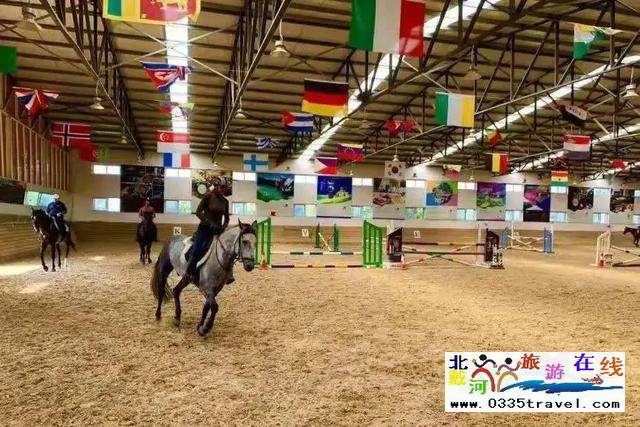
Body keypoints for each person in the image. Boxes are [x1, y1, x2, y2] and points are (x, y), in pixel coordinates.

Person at [184, 179, 231, 285]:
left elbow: (227, 218)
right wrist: (208, 222)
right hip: (205, 229)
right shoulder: (208, 197)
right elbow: (198, 212)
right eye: (222, 187)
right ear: (217, 186)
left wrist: (224, 227)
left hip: (218, 230)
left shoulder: (225, 202)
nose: (223, 190)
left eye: (225, 188)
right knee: (198, 249)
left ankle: (228, 275)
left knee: (227, 251)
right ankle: (190, 272)